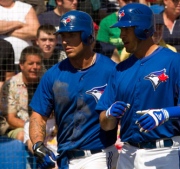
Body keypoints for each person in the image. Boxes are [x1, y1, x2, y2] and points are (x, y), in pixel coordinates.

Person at [95, 3, 180, 169]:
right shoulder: (120, 69)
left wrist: (166, 113)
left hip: (164, 153)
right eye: (121, 30)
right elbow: (105, 125)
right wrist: (109, 115)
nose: (122, 36)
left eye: (127, 29)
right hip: (128, 154)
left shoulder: (174, 61)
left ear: (143, 29)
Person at [29, 10, 119, 169]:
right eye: (63, 36)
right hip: (65, 157)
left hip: (99, 155)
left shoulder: (110, 71)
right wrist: (37, 145)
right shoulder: (53, 75)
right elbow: (38, 116)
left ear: (87, 36)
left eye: (71, 35)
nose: (65, 41)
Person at [0, 46, 43, 141]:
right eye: (31, 63)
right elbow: (11, 119)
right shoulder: (10, 85)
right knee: (24, 136)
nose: (35, 67)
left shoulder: (46, 81)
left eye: (38, 63)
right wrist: (33, 128)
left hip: (44, 126)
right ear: (21, 65)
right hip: (17, 127)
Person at [0, 0, 40, 69]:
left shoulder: (26, 8)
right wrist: (18, 23)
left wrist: (5, 29)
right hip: (2, 61)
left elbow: (35, 32)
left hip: (25, 63)